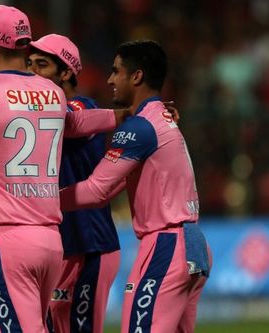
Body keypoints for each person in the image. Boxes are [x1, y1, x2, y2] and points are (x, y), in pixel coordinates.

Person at [0, 5, 124, 333]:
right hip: (50, 240)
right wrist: (123, 115)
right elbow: (75, 122)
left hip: (4, 236)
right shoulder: (52, 93)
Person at [60, 40, 211, 333]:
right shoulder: (163, 119)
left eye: (116, 72)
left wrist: (41, 199)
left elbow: (97, 190)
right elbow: (116, 186)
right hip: (192, 243)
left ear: (137, 76)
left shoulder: (138, 128)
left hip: (166, 244)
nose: (110, 80)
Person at [28, 34, 121, 333]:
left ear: (66, 72)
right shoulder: (29, 114)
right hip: (57, 244)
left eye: (41, 65)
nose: (32, 73)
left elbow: (62, 120)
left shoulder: (83, 105)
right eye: (28, 64)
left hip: (90, 244)